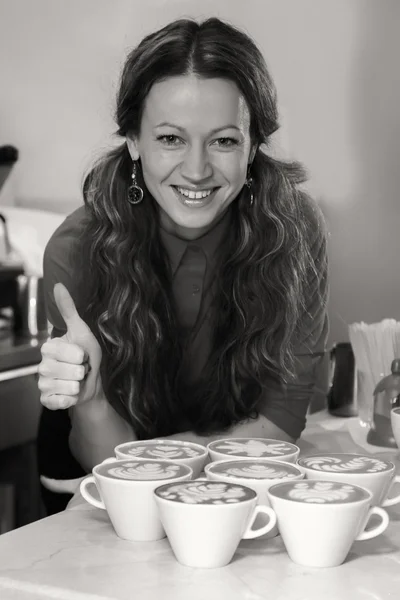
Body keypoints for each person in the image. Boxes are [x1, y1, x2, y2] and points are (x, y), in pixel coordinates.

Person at [37, 16, 329, 515]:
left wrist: (165, 466)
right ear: (133, 140)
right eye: (170, 138)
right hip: (102, 482)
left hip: (224, 483)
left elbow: (280, 423)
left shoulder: (294, 230)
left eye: (224, 141)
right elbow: (104, 459)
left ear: (254, 144)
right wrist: (89, 399)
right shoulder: (77, 246)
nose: (196, 170)